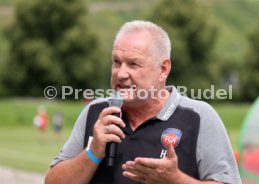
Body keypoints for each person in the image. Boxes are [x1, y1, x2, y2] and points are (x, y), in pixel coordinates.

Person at [45, 20, 242, 184]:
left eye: (133, 64)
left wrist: (176, 180)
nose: (121, 74)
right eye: (116, 62)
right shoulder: (95, 112)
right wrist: (93, 152)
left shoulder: (199, 116)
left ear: (163, 69)